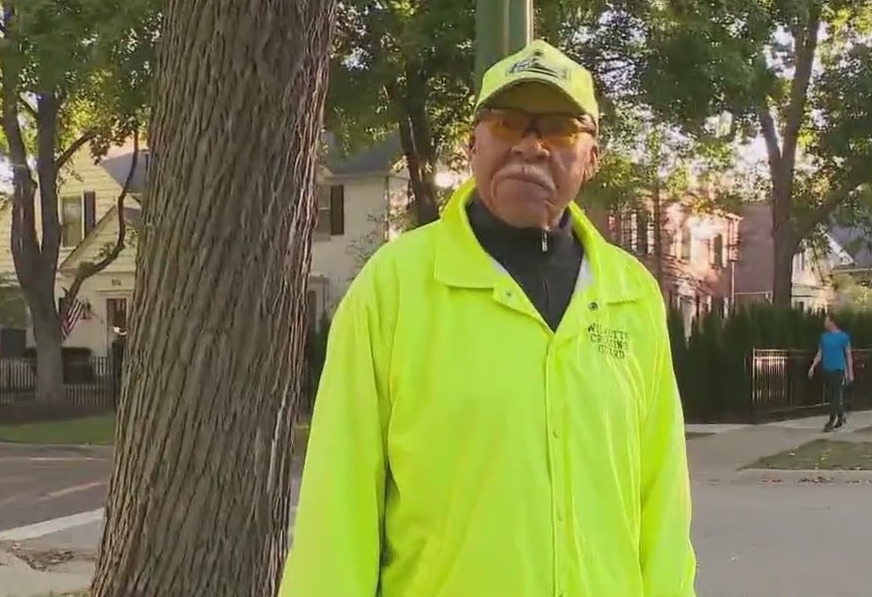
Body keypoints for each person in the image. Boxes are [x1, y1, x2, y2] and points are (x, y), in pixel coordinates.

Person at [280, 40, 696, 597]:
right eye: (507, 122)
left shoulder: (632, 296)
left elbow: (662, 498)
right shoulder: (397, 286)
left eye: (559, 129)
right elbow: (338, 499)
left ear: (591, 158)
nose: (531, 145)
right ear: (472, 144)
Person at [808, 314, 854, 432]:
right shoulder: (824, 337)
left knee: (836, 395)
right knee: (831, 396)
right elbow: (820, 352)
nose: (824, 323)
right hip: (826, 368)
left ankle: (831, 421)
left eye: (826, 321)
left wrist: (850, 372)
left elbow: (848, 354)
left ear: (832, 322)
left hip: (838, 369)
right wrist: (813, 366)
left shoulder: (844, 337)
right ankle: (841, 416)